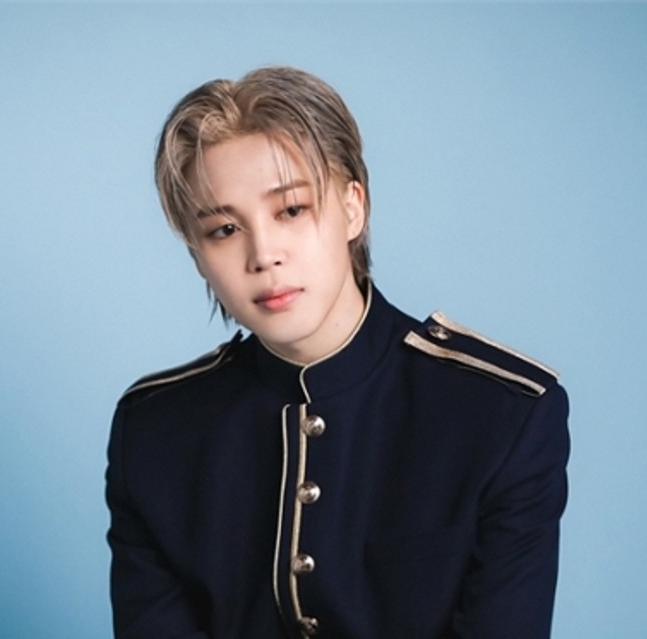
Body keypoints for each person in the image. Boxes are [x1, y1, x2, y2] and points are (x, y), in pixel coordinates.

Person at [106, 66, 570, 639]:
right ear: (197, 254)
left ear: (354, 207)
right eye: (224, 229)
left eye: (291, 210)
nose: (263, 254)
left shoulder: (503, 414)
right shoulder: (153, 432)